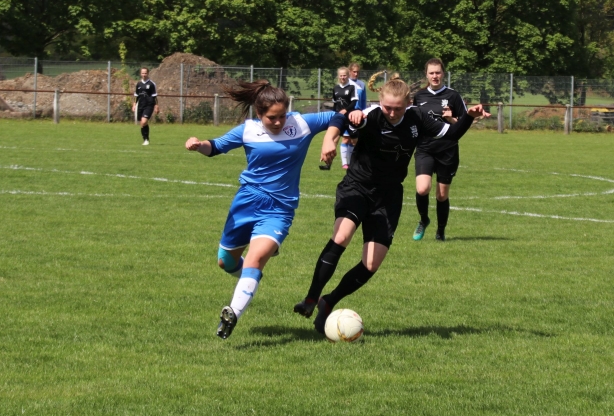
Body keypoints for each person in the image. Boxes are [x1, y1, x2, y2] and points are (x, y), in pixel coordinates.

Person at [293, 77, 489, 333]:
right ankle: (310, 299)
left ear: (408, 103)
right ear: (380, 102)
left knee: (371, 264)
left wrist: (469, 117)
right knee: (341, 236)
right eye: (387, 107)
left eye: (398, 108)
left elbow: (451, 134)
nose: (392, 113)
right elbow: (340, 118)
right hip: (357, 188)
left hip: (388, 196)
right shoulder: (371, 115)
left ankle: (328, 301)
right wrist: (331, 138)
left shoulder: (417, 117)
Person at [186, 80, 345, 339]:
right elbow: (214, 147)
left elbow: (339, 115)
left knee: (255, 259)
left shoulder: (301, 123)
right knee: (226, 262)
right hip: (246, 203)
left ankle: (232, 314)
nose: (279, 122)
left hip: (279, 208)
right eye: (272, 117)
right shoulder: (248, 130)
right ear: (259, 114)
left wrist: (329, 138)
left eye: (282, 115)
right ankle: (250, 278)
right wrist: (197, 144)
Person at [411, 57, 467, 242]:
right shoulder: (419, 96)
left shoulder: (453, 96)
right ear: (426, 75)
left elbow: (464, 124)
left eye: (438, 72)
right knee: (422, 189)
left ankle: (441, 231)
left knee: (442, 195)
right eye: (431, 73)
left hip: (447, 150)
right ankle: (423, 219)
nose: (435, 76)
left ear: (443, 74)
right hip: (425, 148)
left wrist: (451, 119)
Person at [330, 67, 359, 170]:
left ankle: (352, 162)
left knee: (354, 140)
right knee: (338, 139)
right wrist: (334, 114)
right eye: (341, 75)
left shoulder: (352, 87)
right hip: (339, 118)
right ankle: (343, 163)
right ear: (338, 76)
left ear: (348, 76)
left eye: (344, 75)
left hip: (350, 117)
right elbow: (335, 104)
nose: (343, 77)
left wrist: (346, 110)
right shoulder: (335, 88)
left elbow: (354, 102)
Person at [132, 68, 159, 145]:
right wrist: (134, 104)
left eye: (145, 73)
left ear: (148, 73)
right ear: (140, 74)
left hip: (149, 105)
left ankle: (146, 140)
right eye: (142, 73)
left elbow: (154, 96)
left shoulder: (151, 84)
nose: (144, 75)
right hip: (141, 105)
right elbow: (136, 95)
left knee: (144, 121)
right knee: (142, 123)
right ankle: (145, 139)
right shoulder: (139, 84)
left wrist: (156, 106)